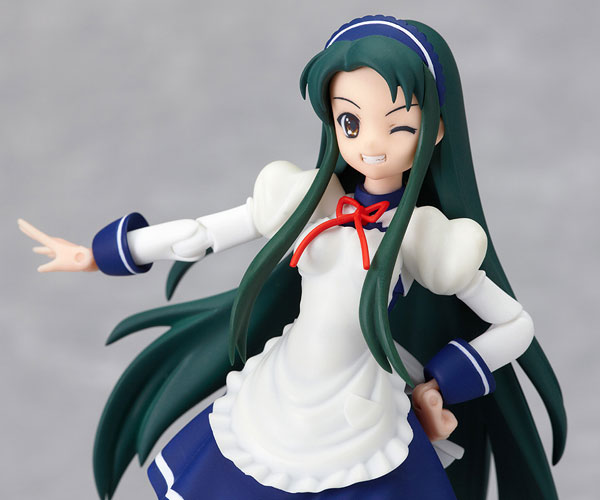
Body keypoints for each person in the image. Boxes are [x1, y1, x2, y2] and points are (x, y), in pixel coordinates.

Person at [19, 15, 566, 500]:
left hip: (358, 411)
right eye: (351, 122)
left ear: (435, 130)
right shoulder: (309, 200)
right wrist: (101, 253)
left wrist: (444, 378)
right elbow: (203, 233)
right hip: (280, 394)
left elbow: (515, 324)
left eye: (398, 125)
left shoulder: (423, 237)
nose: (371, 144)